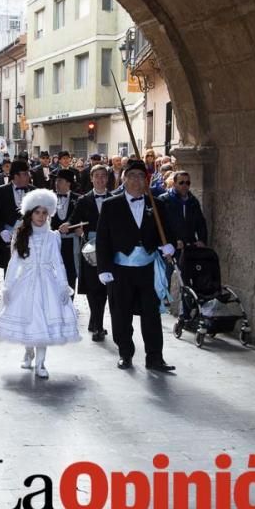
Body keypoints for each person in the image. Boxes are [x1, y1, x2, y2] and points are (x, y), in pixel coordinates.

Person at [95, 159, 177, 372]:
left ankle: (155, 357)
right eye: (131, 176)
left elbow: (166, 231)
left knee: (151, 314)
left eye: (141, 176)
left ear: (146, 180)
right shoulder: (111, 205)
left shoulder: (156, 204)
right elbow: (103, 239)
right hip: (120, 269)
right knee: (121, 313)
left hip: (148, 268)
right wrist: (103, 268)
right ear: (123, 179)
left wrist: (168, 245)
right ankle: (125, 353)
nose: (136, 180)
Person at [0, 189, 81, 378]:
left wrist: (64, 285)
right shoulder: (21, 234)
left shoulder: (53, 236)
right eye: (37, 212)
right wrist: (7, 286)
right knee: (29, 318)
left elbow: (58, 262)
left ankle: (41, 363)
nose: (41, 216)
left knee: (44, 321)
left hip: (47, 283)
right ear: (30, 213)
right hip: (26, 282)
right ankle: (28, 351)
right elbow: (14, 262)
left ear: (49, 214)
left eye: (44, 213)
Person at [71, 164, 111, 341]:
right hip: (90, 249)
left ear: (107, 179)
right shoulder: (83, 200)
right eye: (97, 176)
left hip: (111, 249)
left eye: (103, 176)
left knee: (105, 287)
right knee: (93, 287)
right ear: (91, 178)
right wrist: (77, 230)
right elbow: (74, 222)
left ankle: (96, 321)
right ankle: (97, 324)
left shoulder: (115, 198)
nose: (100, 179)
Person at [0, 160, 34, 273]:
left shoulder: (34, 191)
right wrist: (1, 230)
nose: (28, 176)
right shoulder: (1, 191)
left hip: (30, 237)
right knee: (10, 269)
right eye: (25, 174)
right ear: (16, 176)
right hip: (9, 236)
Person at [158, 170, 208, 250]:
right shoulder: (163, 200)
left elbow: (200, 222)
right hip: (171, 247)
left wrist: (202, 240)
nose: (185, 185)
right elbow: (158, 225)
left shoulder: (193, 201)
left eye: (187, 183)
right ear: (174, 184)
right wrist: (171, 242)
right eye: (181, 183)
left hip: (190, 246)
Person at [51, 169, 80, 294]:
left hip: (71, 243)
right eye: (56, 181)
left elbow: (83, 219)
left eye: (60, 181)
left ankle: (70, 301)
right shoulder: (49, 197)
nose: (56, 183)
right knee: (53, 272)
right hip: (53, 242)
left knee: (70, 272)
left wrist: (80, 229)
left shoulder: (79, 199)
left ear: (68, 183)